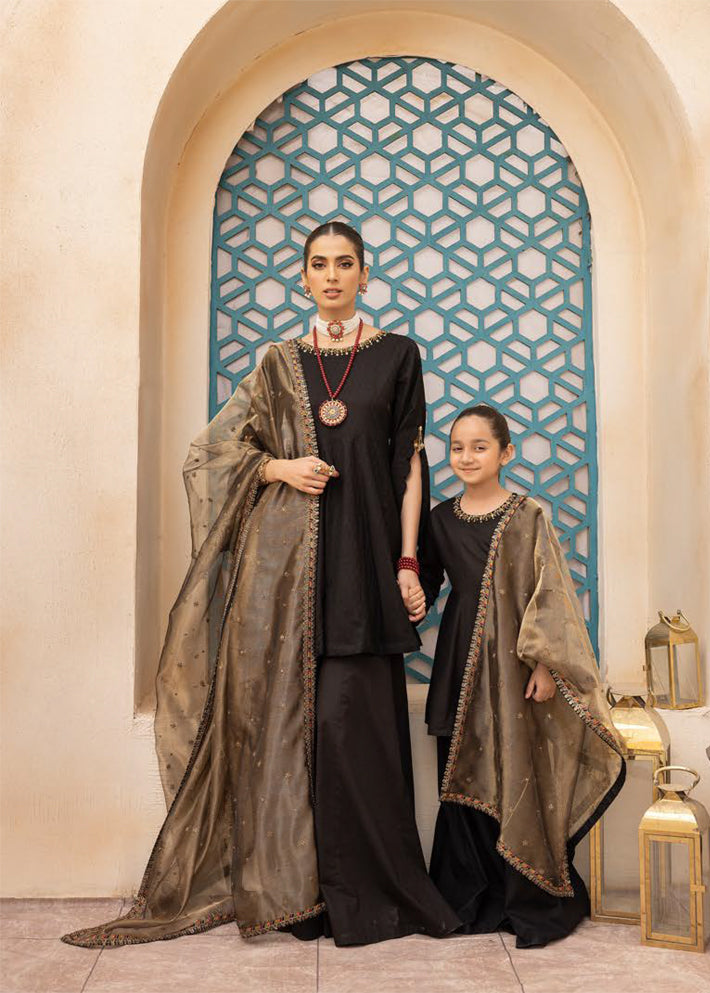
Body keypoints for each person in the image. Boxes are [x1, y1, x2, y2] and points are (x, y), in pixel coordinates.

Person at [62, 221, 459, 948]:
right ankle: (299, 893)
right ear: (302, 278)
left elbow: (409, 463)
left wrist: (408, 562)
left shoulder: (398, 354)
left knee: (356, 725)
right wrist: (279, 468)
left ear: (365, 275)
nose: (332, 275)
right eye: (319, 264)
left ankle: (374, 893)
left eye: (345, 263)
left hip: (366, 563)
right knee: (291, 726)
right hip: (287, 575)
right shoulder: (279, 363)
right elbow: (212, 451)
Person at [418, 404, 626, 948]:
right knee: (457, 771)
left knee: (514, 767)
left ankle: (520, 895)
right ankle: (469, 898)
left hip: (514, 666)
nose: (466, 457)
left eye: (479, 446)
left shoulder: (527, 515)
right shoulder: (439, 520)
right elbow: (427, 584)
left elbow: (549, 591)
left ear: (505, 452)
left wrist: (545, 665)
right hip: (459, 661)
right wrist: (405, 591)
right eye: (457, 447)